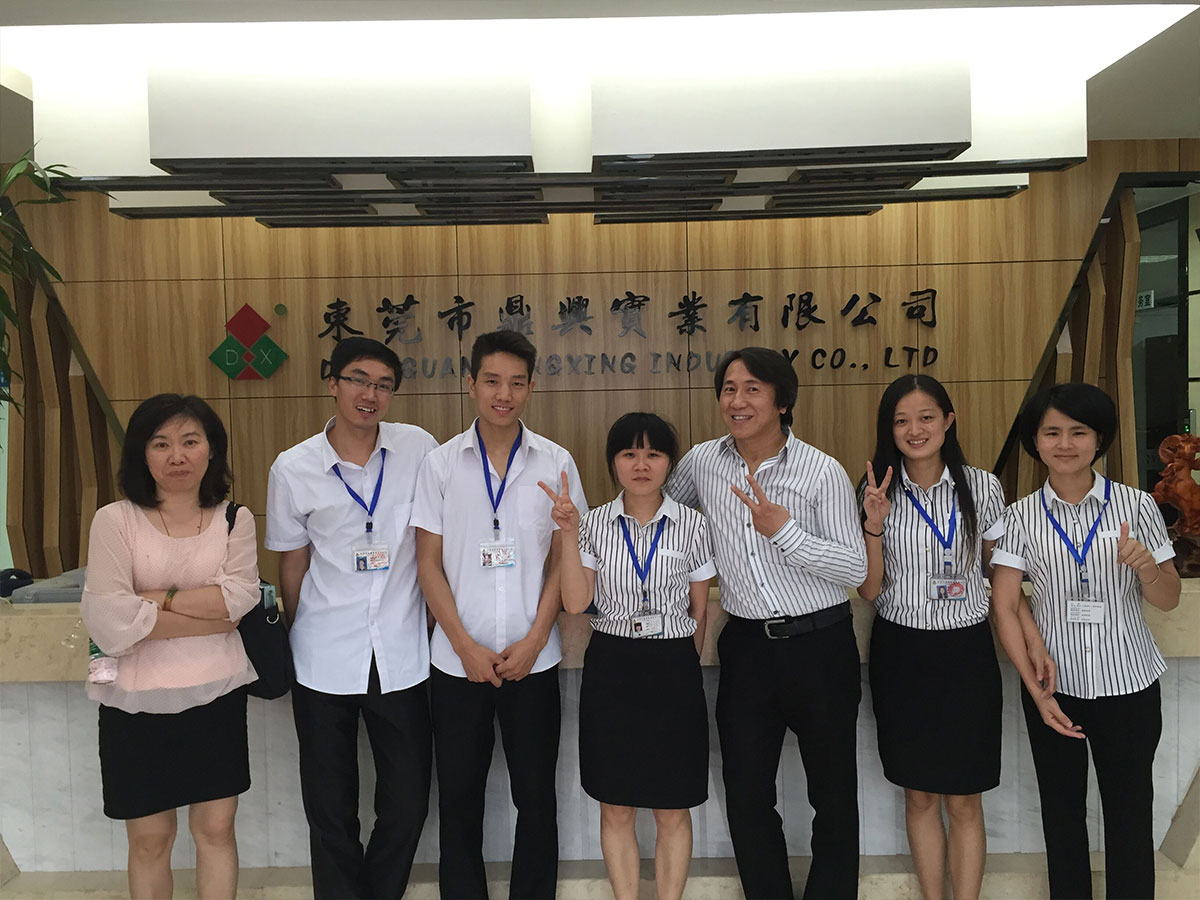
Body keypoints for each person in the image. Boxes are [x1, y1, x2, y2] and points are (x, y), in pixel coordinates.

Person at [665, 347, 867, 900]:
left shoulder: (820, 470)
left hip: (820, 643)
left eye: (753, 389)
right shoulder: (702, 463)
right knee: (747, 792)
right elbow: (658, 512)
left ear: (782, 401)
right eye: (729, 389)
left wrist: (785, 531)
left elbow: (855, 567)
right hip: (748, 647)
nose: (738, 400)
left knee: (833, 793)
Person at [413, 329, 587, 900]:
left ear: (532, 387)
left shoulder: (556, 462)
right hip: (457, 664)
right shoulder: (440, 464)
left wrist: (537, 639)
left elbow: (564, 559)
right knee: (458, 798)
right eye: (491, 381)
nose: (503, 394)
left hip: (532, 661)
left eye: (516, 383)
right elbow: (427, 565)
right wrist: (463, 646)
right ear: (471, 384)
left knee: (535, 797)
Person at [991, 383, 1181, 900]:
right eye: (1051, 432)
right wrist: (1037, 693)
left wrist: (1146, 568)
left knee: (1129, 816)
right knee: (1061, 817)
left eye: (1078, 432)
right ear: (1035, 441)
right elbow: (1004, 605)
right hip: (1056, 690)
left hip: (1129, 684)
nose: (1065, 443)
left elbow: (1168, 599)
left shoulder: (1137, 506)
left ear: (1100, 439)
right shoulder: (1020, 516)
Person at [265, 337, 437, 900]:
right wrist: (299, 631)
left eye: (384, 385)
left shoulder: (418, 449)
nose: (371, 394)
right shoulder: (294, 468)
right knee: (329, 807)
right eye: (359, 379)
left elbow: (436, 543)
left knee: (408, 802)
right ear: (333, 383)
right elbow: (293, 562)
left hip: (402, 655)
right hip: (323, 656)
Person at [81, 394, 260, 900]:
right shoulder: (115, 520)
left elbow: (239, 601)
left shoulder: (234, 519)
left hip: (217, 692)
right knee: (150, 840)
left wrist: (155, 600)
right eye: (160, 444)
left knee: (217, 830)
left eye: (190, 441)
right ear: (141, 453)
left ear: (211, 449)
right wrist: (211, 618)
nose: (177, 456)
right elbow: (109, 618)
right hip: (135, 700)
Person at [539, 412, 715, 900]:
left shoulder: (693, 525)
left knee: (672, 806)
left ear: (669, 462)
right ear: (613, 461)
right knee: (616, 805)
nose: (641, 465)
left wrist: (680, 666)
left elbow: (699, 611)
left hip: (673, 669)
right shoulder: (593, 524)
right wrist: (568, 533)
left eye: (653, 454)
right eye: (629, 454)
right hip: (612, 669)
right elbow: (576, 603)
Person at [856, 375, 1006, 900]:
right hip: (902, 653)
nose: (914, 430)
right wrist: (874, 525)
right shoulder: (874, 491)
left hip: (966, 652)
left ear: (948, 420)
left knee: (965, 797)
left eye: (925, 417)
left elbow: (999, 575)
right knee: (919, 794)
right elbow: (870, 589)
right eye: (901, 420)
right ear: (888, 428)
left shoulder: (983, 487)